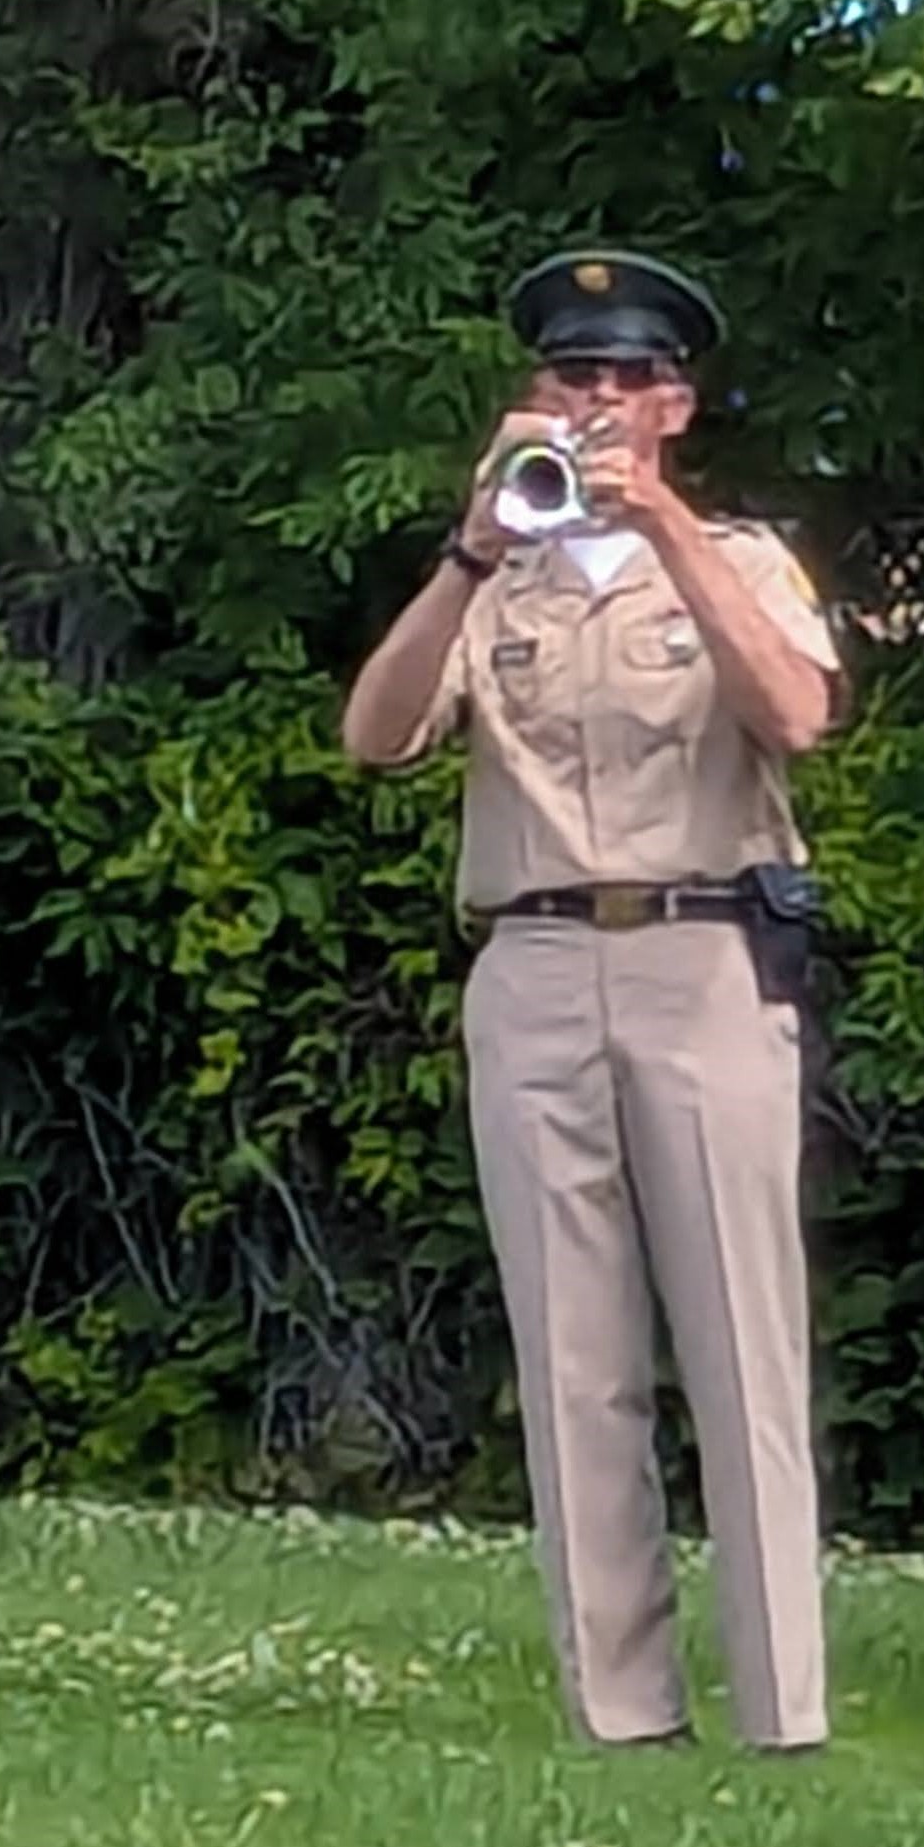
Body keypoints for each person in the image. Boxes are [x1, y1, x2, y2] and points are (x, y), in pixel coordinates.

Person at [340, 248, 844, 1753]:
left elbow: (799, 714)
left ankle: (780, 1715)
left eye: (627, 382)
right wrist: (468, 551)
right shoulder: (503, 573)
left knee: (743, 1345)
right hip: (537, 962)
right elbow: (376, 738)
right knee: (573, 1357)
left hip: (700, 955)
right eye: (574, 379)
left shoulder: (741, 555)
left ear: (676, 405)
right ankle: (621, 1716)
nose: (600, 403)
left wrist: (666, 526)